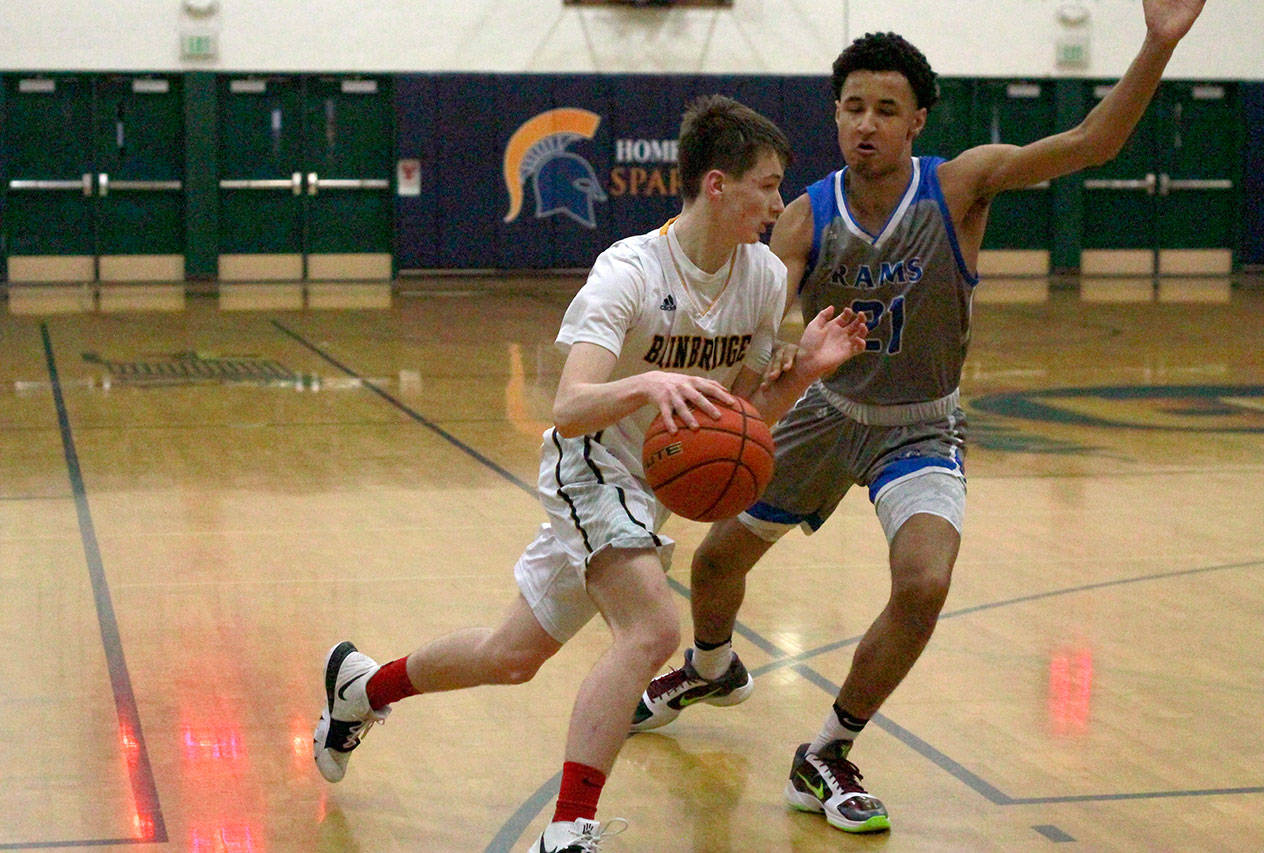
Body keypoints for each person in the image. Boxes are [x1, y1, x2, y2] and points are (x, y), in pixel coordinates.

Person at [630, 0, 1207, 835]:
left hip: (921, 424)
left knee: (926, 583)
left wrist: (1157, 43)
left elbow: (1092, 144)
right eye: (853, 107)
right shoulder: (804, 216)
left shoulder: (961, 183)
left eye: (886, 109)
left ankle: (829, 748)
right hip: (827, 412)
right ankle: (712, 666)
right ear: (835, 115)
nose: (867, 124)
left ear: (917, 120)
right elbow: (760, 323)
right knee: (716, 563)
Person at [311, 94, 869, 853]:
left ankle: (361, 688)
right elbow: (569, 405)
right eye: (767, 185)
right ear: (716, 185)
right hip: (592, 462)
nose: (779, 203)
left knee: (510, 656)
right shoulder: (629, 271)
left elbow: (741, 422)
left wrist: (802, 372)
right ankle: (567, 831)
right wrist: (649, 384)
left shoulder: (766, 281)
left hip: (650, 491)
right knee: (653, 628)